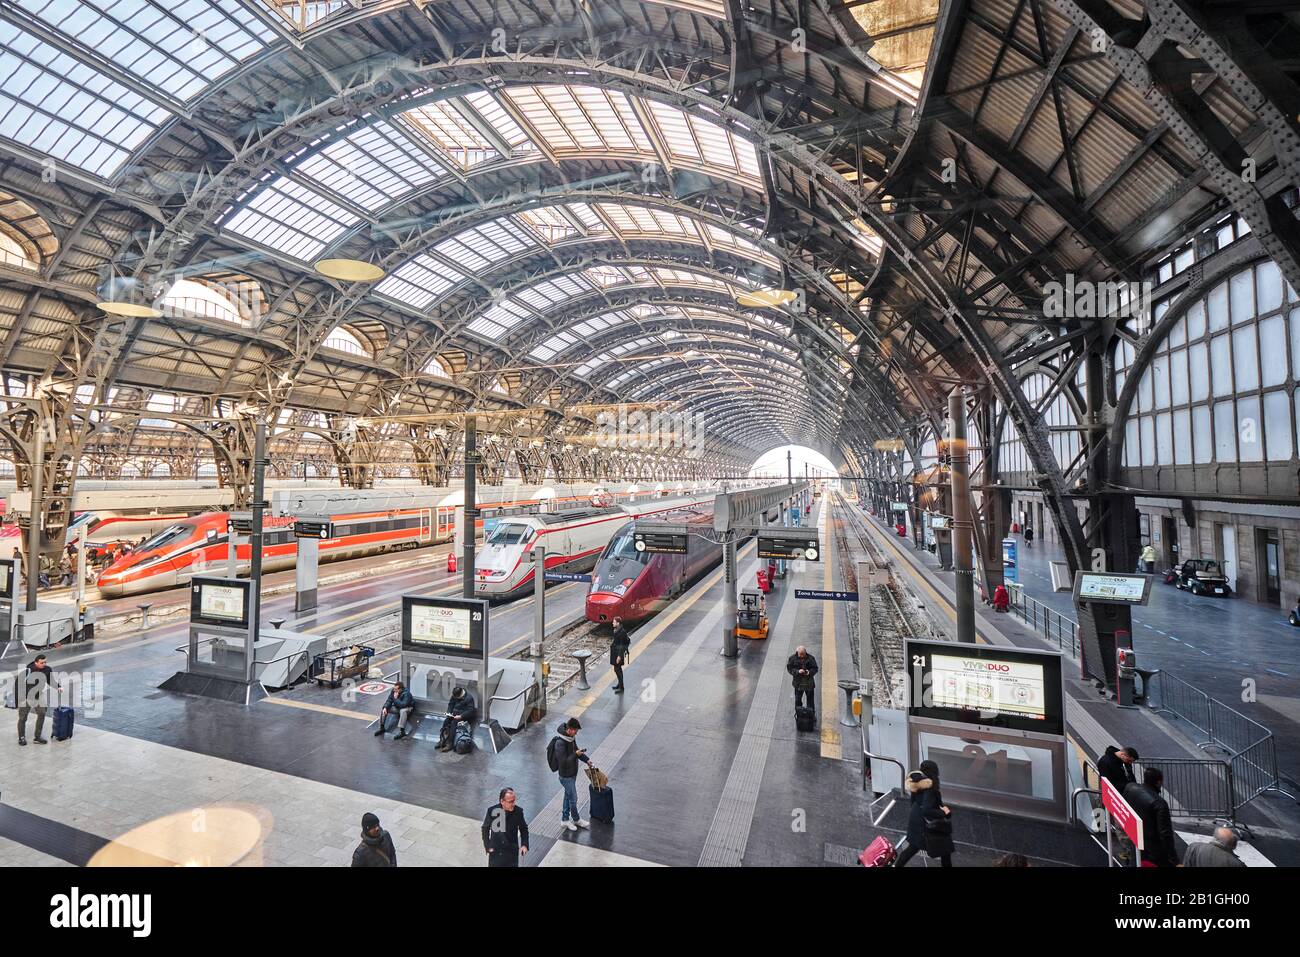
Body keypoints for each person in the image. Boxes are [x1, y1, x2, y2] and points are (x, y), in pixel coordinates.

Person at [896, 760, 954, 867]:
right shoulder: (930, 789)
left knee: (912, 848)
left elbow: (913, 802)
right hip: (925, 826)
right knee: (945, 850)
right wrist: (944, 812)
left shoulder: (917, 782)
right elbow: (927, 810)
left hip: (916, 822)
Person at [1124, 768, 1179, 867]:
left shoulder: (1130, 788)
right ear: (1159, 782)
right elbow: (1165, 833)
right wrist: (1173, 858)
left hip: (1135, 837)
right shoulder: (1160, 803)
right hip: (1153, 848)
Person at [548, 717, 591, 832]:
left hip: (572, 773)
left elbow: (577, 751)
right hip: (565, 776)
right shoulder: (560, 743)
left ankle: (565, 820)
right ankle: (576, 819)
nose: (576, 733)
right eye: (576, 731)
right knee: (573, 798)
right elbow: (563, 762)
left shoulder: (571, 738)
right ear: (570, 729)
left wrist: (587, 760)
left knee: (568, 796)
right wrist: (575, 755)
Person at [17, 653, 59, 746]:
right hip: (26, 696)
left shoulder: (47, 669)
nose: (44, 664)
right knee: (23, 717)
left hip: (38, 695)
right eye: (41, 663)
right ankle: (21, 737)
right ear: (36, 662)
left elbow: (50, 681)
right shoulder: (28, 670)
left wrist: (58, 687)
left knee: (42, 713)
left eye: (45, 662)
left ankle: (37, 737)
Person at [481, 787, 529, 867]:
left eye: (514, 800)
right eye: (511, 802)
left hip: (511, 853)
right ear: (502, 801)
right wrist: (487, 845)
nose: (513, 804)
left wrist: (524, 844)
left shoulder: (518, 812)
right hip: (496, 852)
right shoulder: (492, 811)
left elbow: (523, 829)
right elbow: (485, 828)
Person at [436, 686, 477, 752]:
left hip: (463, 716)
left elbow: (470, 710)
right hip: (455, 714)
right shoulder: (454, 695)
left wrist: (461, 716)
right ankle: (442, 740)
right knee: (446, 721)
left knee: (454, 724)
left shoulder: (469, 698)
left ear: (460, 695)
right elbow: (451, 704)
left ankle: (450, 743)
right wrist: (449, 713)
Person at [786, 645, 819, 713]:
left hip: (809, 684)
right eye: (800, 654)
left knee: (810, 701)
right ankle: (799, 714)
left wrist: (809, 672)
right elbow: (790, 669)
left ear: (805, 652)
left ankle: (811, 714)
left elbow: (815, 668)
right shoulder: (792, 658)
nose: (801, 656)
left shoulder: (811, 658)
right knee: (798, 700)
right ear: (797, 652)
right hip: (798, 684)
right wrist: (797, 671)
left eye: (803, 654)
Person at [610, 617, 630, 694]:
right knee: (618, 669)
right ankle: (619, 684)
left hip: (619, 653)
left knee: (617, 669)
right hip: (616, 652)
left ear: (618, 623)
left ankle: (621, 687)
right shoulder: (617, 630)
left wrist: (619, 656)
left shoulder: (622, 632)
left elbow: (622, 645)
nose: (612, 623)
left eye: (614, 622)